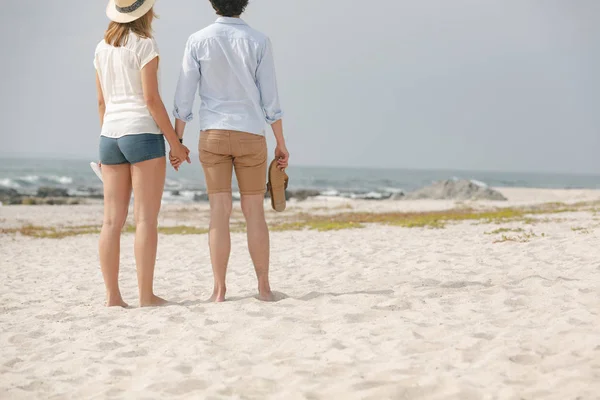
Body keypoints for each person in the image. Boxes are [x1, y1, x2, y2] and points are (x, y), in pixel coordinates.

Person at [172, 0, 289, 302]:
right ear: (244, 4)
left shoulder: (197, 40)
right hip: (251, 133)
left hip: (213, 134)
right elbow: (270, 97)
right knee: (254, 212)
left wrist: (177, 140)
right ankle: (263, 288)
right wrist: (280, 141)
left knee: (219, 212)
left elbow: (184, 95)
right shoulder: (259, 41)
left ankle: (219, 290)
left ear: (213, 3)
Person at [95, 0, 191, 307]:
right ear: (146, 12)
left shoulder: (100, 48)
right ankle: (146, 296)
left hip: (109, 136)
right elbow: (151, 99)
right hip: (142, 133)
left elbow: (101, 103)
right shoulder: (145, 45)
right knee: (146, 220)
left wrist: (108, 133)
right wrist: (175, 142)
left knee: (111, 222)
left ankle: (113, 297)